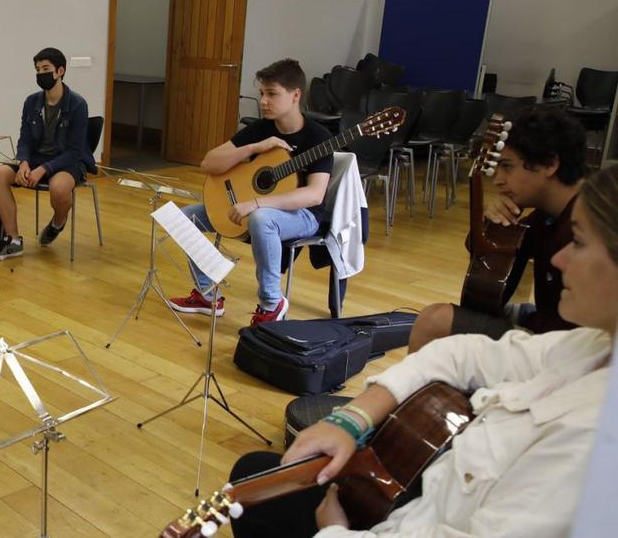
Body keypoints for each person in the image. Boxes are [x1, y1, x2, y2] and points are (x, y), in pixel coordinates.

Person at [224, 165, 618, 538]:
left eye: (579, 242)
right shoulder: (593, 345)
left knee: (256, 489)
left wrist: (334, 531)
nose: (559, 257)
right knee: (254, 476)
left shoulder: (593, 445)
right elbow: (460, 354)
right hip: (430, 493)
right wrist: (352, 419)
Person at [407, 107, 586, 352]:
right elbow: (490, 262)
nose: (498, 179)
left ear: (549, 164)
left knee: (435, 321)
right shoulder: (547, 214)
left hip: (566, 348)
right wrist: (492, 224)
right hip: (548, 325)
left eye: (508, 167)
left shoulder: (590, 227)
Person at [167, 59, 331, 325]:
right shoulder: (260, 129)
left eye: (272, 94)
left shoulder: (318, 137)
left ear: (295, 95)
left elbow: (314, 195)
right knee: (185, 218)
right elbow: (208, 163)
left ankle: (271, 304)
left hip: (302, 215)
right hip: (251, 205)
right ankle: (208, 295)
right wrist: (254, 148)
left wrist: (256, 202)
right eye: (262, 94)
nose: (264, 101)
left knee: (261, 218)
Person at [0, 47, 96, 261]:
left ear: (60, 71)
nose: (40, 74)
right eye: (37, 69)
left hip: (66, 161)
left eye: (46, 68)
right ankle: (13, 240)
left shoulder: (78, 104)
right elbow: (24, 138)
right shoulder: (31, 102)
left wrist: (44, 169)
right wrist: (24, 162)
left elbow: (74, 151)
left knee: (59, 187)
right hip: (35, 158)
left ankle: (58, 222)